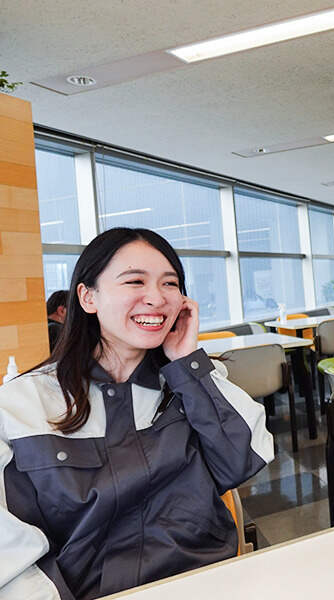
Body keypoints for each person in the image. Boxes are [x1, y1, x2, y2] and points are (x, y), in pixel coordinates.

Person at [0, 228, 273, 599]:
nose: (157, 298)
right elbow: (9, 552)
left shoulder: (193, 380)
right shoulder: (22, 404)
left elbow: (244, 461)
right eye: (134, 281)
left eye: (170, 283)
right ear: (88, 297)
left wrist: (186, 364)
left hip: (208, 582)